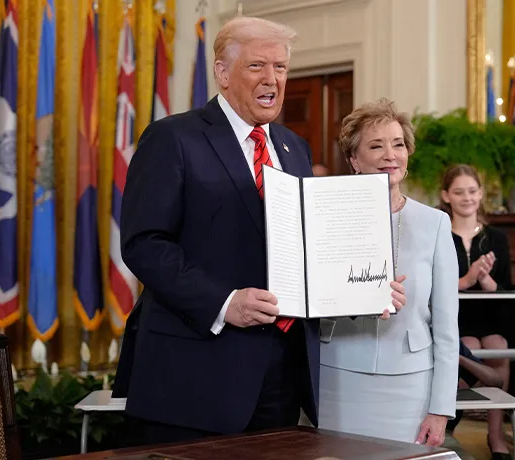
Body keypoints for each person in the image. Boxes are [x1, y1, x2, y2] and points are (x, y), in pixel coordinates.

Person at [114, 17, 406, 445]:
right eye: (257, 66)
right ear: (222, 72)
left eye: (281, 68)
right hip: (198, 373)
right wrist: (224, 302)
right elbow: (144, 244)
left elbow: (308, 251)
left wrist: (360, 291)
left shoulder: (294, 147)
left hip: (283, 372)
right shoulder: (172, 138)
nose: (272, 79)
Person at [318, 98, 459, 447]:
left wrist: (440, 409)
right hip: (339, 375)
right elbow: (313, 300)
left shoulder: (437, 223)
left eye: (398, 144)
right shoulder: (328, 218)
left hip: (410, 382)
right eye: (375, 146)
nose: (389, 155)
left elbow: (446, 328)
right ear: (354, 160)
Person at [439, 164, 513, 459]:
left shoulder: (497, 237)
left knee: (499, 346)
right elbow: (436, 283)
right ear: (446, 196)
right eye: (458, 192)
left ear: (481, 194)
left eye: (472, 191)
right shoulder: (440, 232)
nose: (466, 198)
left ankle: (496, 433)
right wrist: (467, 280)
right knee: (468, 346)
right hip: (455, 316)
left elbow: (506, 287)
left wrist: (485, 280)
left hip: (489, 314)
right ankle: (449, 425)